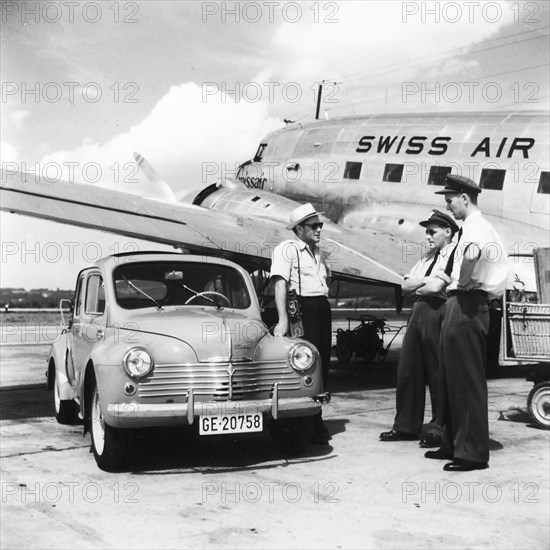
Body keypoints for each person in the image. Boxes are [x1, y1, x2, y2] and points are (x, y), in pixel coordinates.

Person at [425, 174, 507, 471]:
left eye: (450, 200)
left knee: (467, 381)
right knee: (450, 378)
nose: (449, 206)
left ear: (464, 198)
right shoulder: (467, 228)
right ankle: (451, 443)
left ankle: (472, 453)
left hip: (468, 304)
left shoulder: (477, 227)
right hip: (457, 303)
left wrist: (464, 279)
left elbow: (472, 254)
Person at [380, 210, 458, 447]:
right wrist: (424, 283)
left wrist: (420, 284)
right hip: (418, 312)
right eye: (426, 231)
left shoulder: (453, 254)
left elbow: (436, 289)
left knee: (438, 372)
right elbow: (404, 286)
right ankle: (405, 425)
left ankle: (438, 429)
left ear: (448, 232)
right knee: (408, 370)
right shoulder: (427, 256)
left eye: (432, 231)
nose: (427, 236)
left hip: (439, 310)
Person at [270, 203, 332, 445]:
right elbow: (279, 284)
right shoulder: (287, 249)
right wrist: (283, 319)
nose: (319, 229)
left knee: (323, 362)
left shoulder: (317, 251)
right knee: (306, 365)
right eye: (314, 226)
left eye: (320, 225)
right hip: (301, 310)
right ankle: (309, 423)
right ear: (299, 228)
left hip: (320, 308)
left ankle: (316, 417)